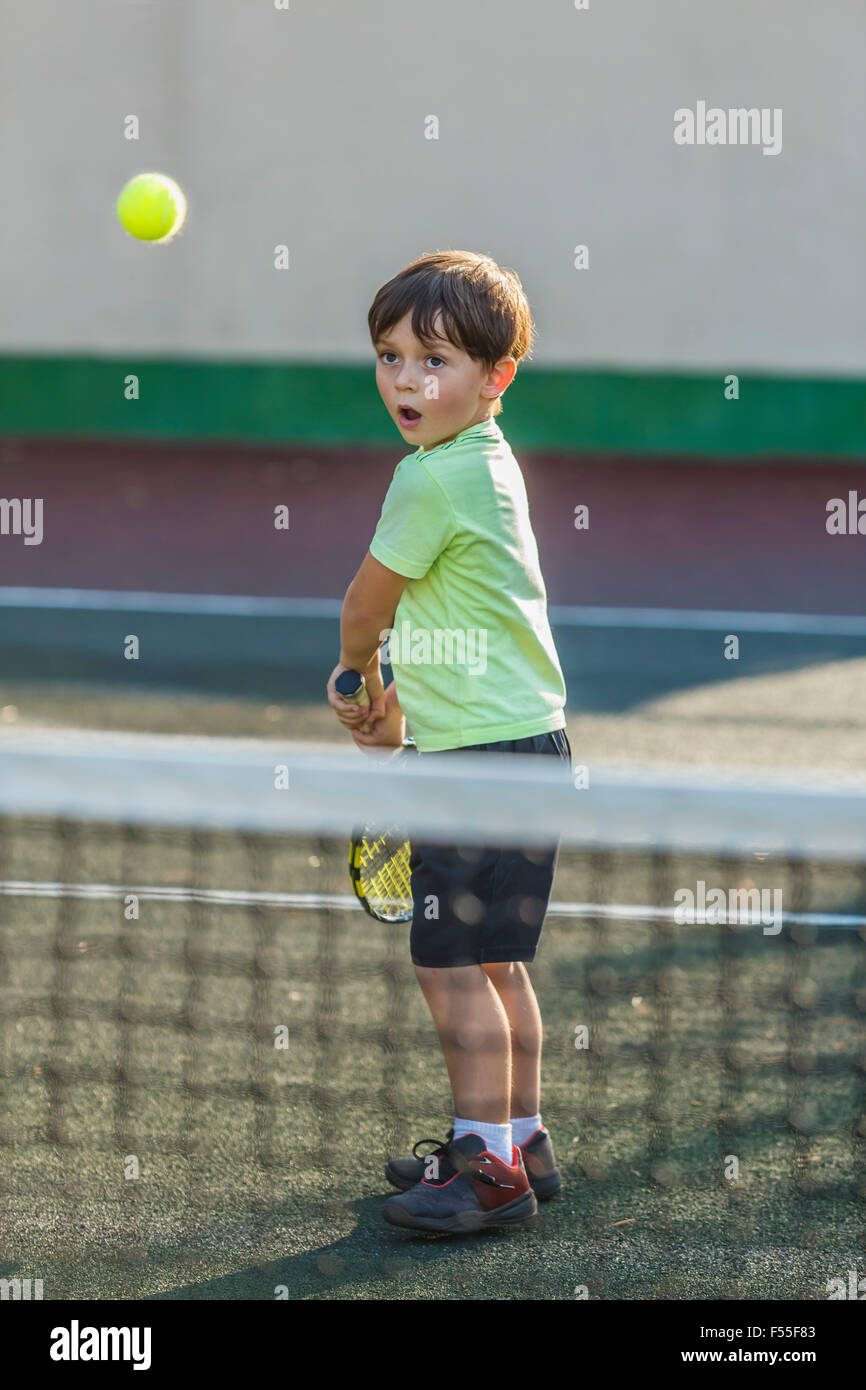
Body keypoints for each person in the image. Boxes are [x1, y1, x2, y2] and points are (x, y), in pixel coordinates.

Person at [327, 249, 571, 1233]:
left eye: (435, 361)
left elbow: (366, 604)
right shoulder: (490, 462)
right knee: (499, 961)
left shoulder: (426, 480)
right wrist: (397, 711)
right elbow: (454, 622)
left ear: (495, 376)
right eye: (390, 356)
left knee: (448, 964)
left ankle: (484, 1168)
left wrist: (357, 677)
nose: (406, 380)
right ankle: (520, 1140)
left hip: (471, 763)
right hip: (531, 748)